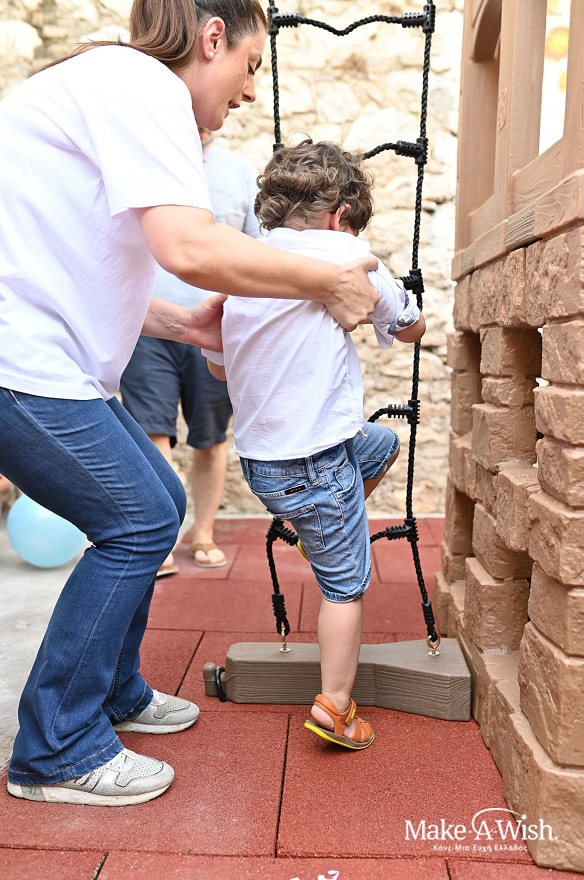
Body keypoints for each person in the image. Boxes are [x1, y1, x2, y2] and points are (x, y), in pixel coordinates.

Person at [0, 2, 381, 807]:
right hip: (19, 364)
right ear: (213, 38)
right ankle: (56, 748)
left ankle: (114, 692)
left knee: (160, 500)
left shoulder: (115, 83)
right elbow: (190, 247)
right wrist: (327, 277)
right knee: (137, 519)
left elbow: (68, 264)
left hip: (46, 359)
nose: (250, 92)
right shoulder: (143, 85)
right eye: (250, 66)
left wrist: (183, 323)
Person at [204, 139, 426, 751]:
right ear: (340, 216)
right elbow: (410, 327)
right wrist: (401, 304)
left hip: (263, 463)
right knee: (345, 587)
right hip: (316, 464)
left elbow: (219, 367)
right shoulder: (347, 254)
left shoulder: (244, 263)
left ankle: (317, 530)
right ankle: (335, 706)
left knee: (379, 444)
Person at [120, 127, 261, 574]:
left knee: (211, 438)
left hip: (216, 328)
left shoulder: (239, 172)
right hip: (148, 325)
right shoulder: (143, 162)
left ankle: (203, 532)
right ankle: (162, 538)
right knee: (150, 433)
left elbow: (257, 249)